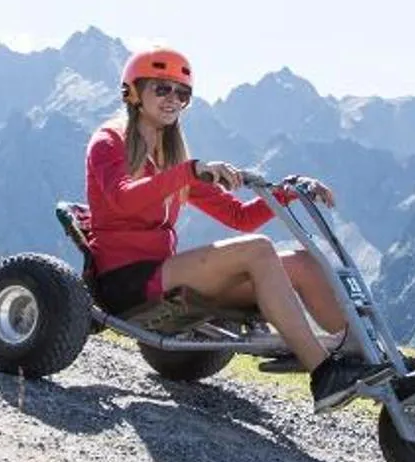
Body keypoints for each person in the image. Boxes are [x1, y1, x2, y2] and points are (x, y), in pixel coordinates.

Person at [83, 46, 373, 410]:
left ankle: (362, 354)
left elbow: (239, 217)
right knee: (257, 248)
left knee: (301, 261)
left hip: (166, 276)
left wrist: (286, 194)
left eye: (182, 93)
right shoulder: (108, 141)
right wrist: (189, 172)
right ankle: (324, 374)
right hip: (128, 281)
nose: (173, 99)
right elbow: (121, 199)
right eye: (162, 88)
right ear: (133, 92)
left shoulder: (173, 158)